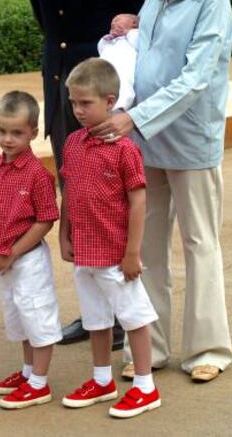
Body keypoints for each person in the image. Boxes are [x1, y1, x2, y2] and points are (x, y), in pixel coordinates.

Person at [91, 0, 232, 383]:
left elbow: (195, 80)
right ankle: (150, 347)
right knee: (147, 246)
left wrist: (135, 119)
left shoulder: (213, 0)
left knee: (199, 243)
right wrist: (131, 24)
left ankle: (208, 349)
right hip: (147, 138)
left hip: (190, 138)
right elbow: (153, 50)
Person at [21, 0, 152, 345]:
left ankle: (125, 314)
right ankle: (97, 315)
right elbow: (46, 19)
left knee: (109, 203)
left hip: (104, 93)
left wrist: (133, 20)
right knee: (74, 193)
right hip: (60, 89)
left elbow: (151, 7)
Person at [59, 58, 161, 419]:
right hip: (84, 251)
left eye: (85, 103)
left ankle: (146, 387)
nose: (78, 110)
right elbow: (70, 188)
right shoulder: (72, 143)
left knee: (134, 318)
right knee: (95, 320)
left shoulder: (125, 149)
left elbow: (138, 200)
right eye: (73, 103)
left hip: (116, 252)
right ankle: (102, 380)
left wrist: (132, 253)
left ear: (109, 100)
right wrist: (64, 232)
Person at [0, 91, 62, 410]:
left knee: (37, 317)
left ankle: (39, 383)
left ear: (33, 133)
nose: (8, 139)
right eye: (2, 131)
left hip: (27, 260)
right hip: (3, 260)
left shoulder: (38, 174)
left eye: (17, 132)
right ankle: (28, 372)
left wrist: (13, 252)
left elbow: (45, 220)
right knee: (19, 319)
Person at [98, 14, 139, 110]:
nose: (114, 22)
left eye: (118, 20)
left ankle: (119, 108)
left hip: (122, 68)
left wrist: (128, 32)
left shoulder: (135, 35)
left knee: (123, 86)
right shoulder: (111, 40)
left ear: (134, 23)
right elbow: (101, 48)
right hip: (105, 68)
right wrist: (108, 38)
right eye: (113, 21)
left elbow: (140, 43)